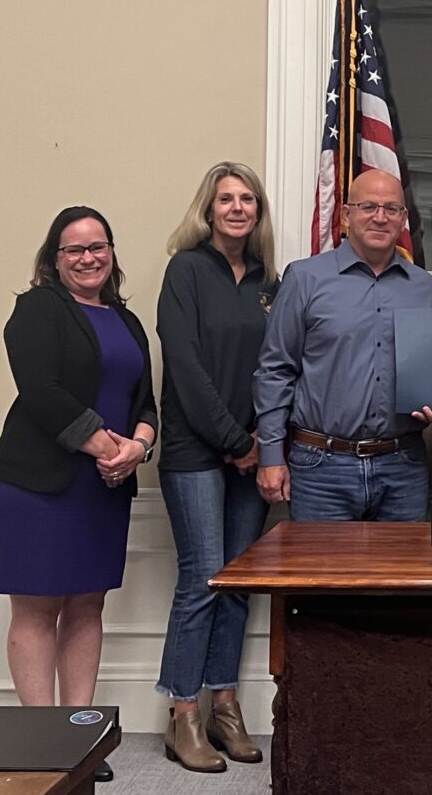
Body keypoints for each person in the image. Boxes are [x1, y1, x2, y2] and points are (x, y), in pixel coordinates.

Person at [0, 207, 157, 784]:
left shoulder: (127, 321)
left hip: (104, 487)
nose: (88, 258)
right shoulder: (37, 309)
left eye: (97, 246)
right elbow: (41, 390)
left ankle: (82, 742)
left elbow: (145, 403)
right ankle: (43, 741)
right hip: (37, 485)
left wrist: (138, 446)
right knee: (37, 609)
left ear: (111, 252)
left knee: (87, 606)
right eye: (74, 249)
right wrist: (107, 447)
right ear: (54, 259)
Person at [155, 163, 278, 772]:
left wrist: (261, 442)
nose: (236, 208)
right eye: (225, 198)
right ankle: (183, 715)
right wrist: (235, 442)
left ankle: (224, 706)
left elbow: (277, 366)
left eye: (246, 199)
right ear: (208, 209)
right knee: (204, 577)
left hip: (250, 451)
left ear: (258, 211)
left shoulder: (268, 282)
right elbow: (186, 366)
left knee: (236, 583)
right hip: (196, 454)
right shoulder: (185, 271)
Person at [254, 169, 432, 520]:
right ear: (346, 215)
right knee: (322, 561)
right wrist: (270, 457)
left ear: (403, 218)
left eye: (391, 209)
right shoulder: (304, 278)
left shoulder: (425, 288)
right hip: (321, 469)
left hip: (402, 468)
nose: (380, 217)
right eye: (368, 206)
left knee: (401, 560)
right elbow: (275, 371)